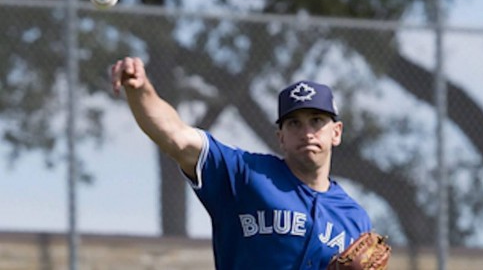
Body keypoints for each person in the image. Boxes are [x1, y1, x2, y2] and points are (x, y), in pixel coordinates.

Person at [111, 57, 372, 270]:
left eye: (316, 121)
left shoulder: (354, 217)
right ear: (280, 137)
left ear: (336, 132)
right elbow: (177, 137)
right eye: (294, 123)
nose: (306, 133)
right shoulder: (245, 174)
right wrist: (141, 90)